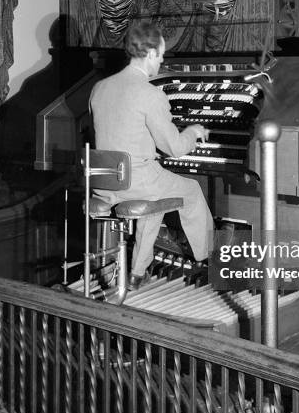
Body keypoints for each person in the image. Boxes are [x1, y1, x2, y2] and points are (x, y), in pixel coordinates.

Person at [89, 20, 213, 289]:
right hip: (137, 181)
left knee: (158, 197)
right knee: (191, 189)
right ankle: (208, 260)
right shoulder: (150, 94)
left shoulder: (99, 88)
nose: (162, 61)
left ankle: (137, 274)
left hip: (104, 182)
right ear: (153, 52)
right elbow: (175, 149)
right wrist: (192, 131)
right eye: (162, 55)